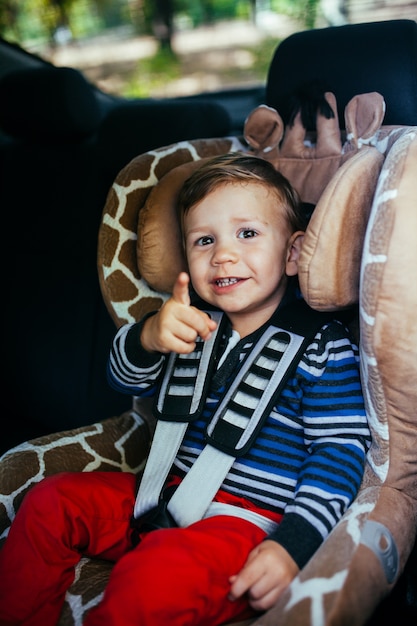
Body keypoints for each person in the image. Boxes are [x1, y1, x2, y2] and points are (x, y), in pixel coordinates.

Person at [0, 153, 370, 626]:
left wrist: (293, 545)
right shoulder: (186, 320)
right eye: (204, 240)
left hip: (247, 525)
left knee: (153, 577)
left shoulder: (322, 346)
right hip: (159, 497)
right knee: (51, 502)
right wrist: (149, 336)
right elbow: (124, 378)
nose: (223, 255)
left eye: (248, 234)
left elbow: (339, 451)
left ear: (294, 252)